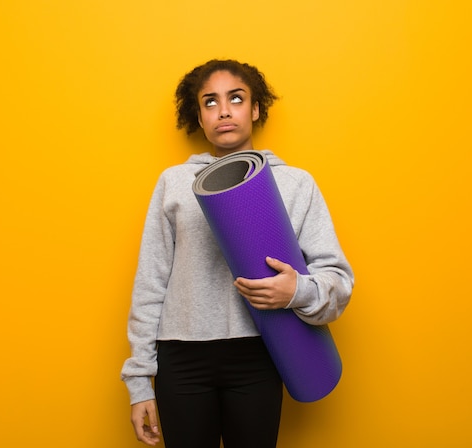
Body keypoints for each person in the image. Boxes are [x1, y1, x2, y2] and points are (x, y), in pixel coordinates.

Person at [121, 59, 354, 448]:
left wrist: (296, 291)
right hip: (182, 358)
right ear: (198, 115)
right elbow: (151, 282)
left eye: (236, 98)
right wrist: (139, 380)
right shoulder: (174, 183)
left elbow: (338, 280)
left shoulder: (296, 183)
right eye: (210, 102)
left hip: (259, 355)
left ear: (256, 108)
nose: (224, 110)